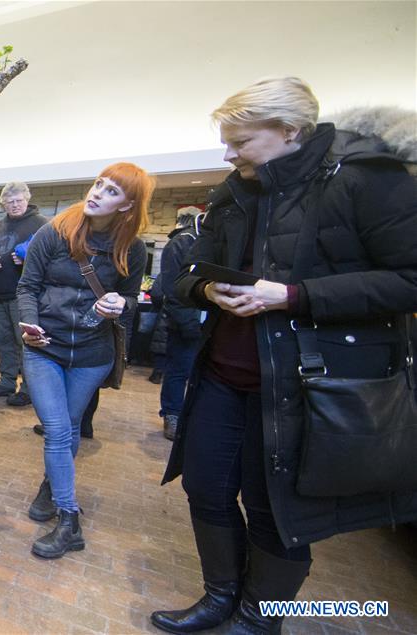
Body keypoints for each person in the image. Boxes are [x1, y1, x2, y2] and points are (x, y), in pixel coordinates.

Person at [151, 77, 417, 635]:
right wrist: (205, 290)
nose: (229, 154)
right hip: (224, 373)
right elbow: (188, 274)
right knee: (205, 488)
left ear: (289, 131)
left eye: (241, 142)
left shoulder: (365, 179)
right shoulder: (234, 189)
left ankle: (259, 617)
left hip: (306, 386)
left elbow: (408, 279)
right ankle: (219, 597)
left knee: (278, 512)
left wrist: (294, 296)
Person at [17, 162, 153, 558]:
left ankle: (50, 484)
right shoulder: (54, 232)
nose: (97, 193)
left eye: (111, 191)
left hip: (94, 354)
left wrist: (120, 303)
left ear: (127, 206)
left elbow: (132, 299)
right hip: (45, 348)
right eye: (98, 184)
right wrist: (29, 324)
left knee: (71, 427)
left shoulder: (134, 247)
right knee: (58, 429)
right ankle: (69, 518)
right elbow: (28, 287)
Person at [0, 182, 46, 406]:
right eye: (9, 202)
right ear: (3, 204)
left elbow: (53, 259)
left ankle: (28, 388)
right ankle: (7, 382)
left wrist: (28, 260)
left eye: (18, 201)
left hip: (26, 296)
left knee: (25, 343)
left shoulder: (42, 225)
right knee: (3, 341)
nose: (14, 205)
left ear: (27, 199)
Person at [149, 208, 204, 440]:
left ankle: (193, 417)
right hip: (186, 323)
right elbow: (172, 290)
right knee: (178, 371)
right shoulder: (182, 242)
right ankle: (172, 414)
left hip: (210, 322)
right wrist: (188, 323)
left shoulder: (215, 241)